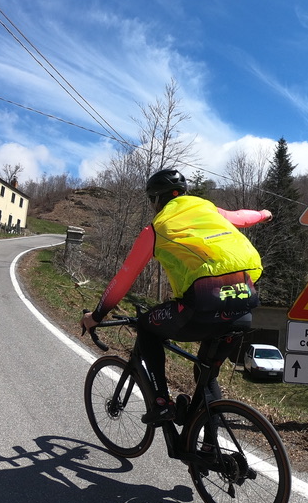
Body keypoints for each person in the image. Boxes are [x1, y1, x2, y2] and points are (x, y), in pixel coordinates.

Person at [80, 169, 272, 425]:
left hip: (201, 307)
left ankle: (162, 402)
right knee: (206, 375)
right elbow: (242, 217)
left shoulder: (156, 228)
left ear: (156, 200)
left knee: (146, 327)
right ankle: (208, 443)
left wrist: (97, 315)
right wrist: (264, 214)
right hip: (244, 306)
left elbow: (123, 279)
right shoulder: (209, 209)